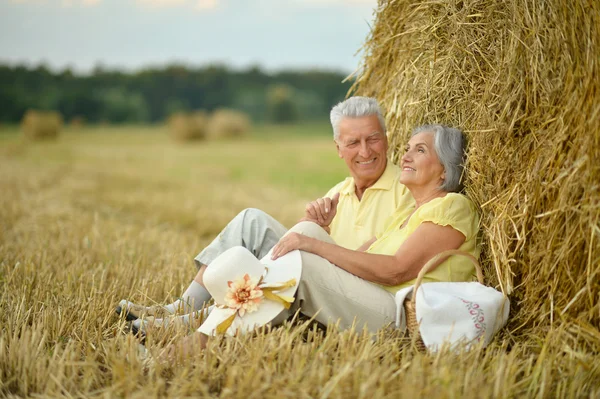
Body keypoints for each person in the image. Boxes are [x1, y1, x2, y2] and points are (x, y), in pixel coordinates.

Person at [162, 123, 480, 356]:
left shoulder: (451, 206)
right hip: (371, 298)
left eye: (420, 150)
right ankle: (207, 318)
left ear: (444, 172)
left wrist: (314, 247)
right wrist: (318, 232)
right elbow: (357, 260)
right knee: (308, 231)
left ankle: (194, 336)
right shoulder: (407, 212)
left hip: (398, 319)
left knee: (304, 255)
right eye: (408, 147)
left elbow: (396, 270)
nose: (406, 155)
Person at [116, 96, 414, 330]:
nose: (365, 151)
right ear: (338, 148)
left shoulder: (407, 190)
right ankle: (182, 307)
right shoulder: (339, 191)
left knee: (285, 265)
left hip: (352, 296)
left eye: (373, 139)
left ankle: (191, 323)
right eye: (353, 142)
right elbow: (293, 245)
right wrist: (312, 225)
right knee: (252, 220)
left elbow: (381, 264)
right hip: (315, 279)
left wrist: (313, 243)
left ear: (386, 138)